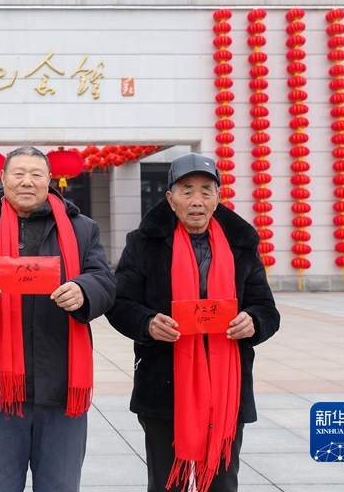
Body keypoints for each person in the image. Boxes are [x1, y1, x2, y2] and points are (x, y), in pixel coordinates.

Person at [0, 145, 116, 492]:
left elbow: (105, 281)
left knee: (61, 486)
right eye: (18, 174)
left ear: (50, 179)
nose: (27, 181)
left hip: (63, 384)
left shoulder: (81, 228)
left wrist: (84, 290)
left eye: (36, 174)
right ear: (3, 178)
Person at [106, 152, 280, 492]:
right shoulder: (143, 243)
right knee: (166, 482)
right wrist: (147, 323)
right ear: (170, 199)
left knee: (221, 483)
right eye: (187, 191)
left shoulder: (241, 246)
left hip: (226, 384)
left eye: (205, 190)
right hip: (165, 382)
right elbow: (119, 303)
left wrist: (254, 322)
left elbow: (267, 309)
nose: (197, 200)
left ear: (218, 197)